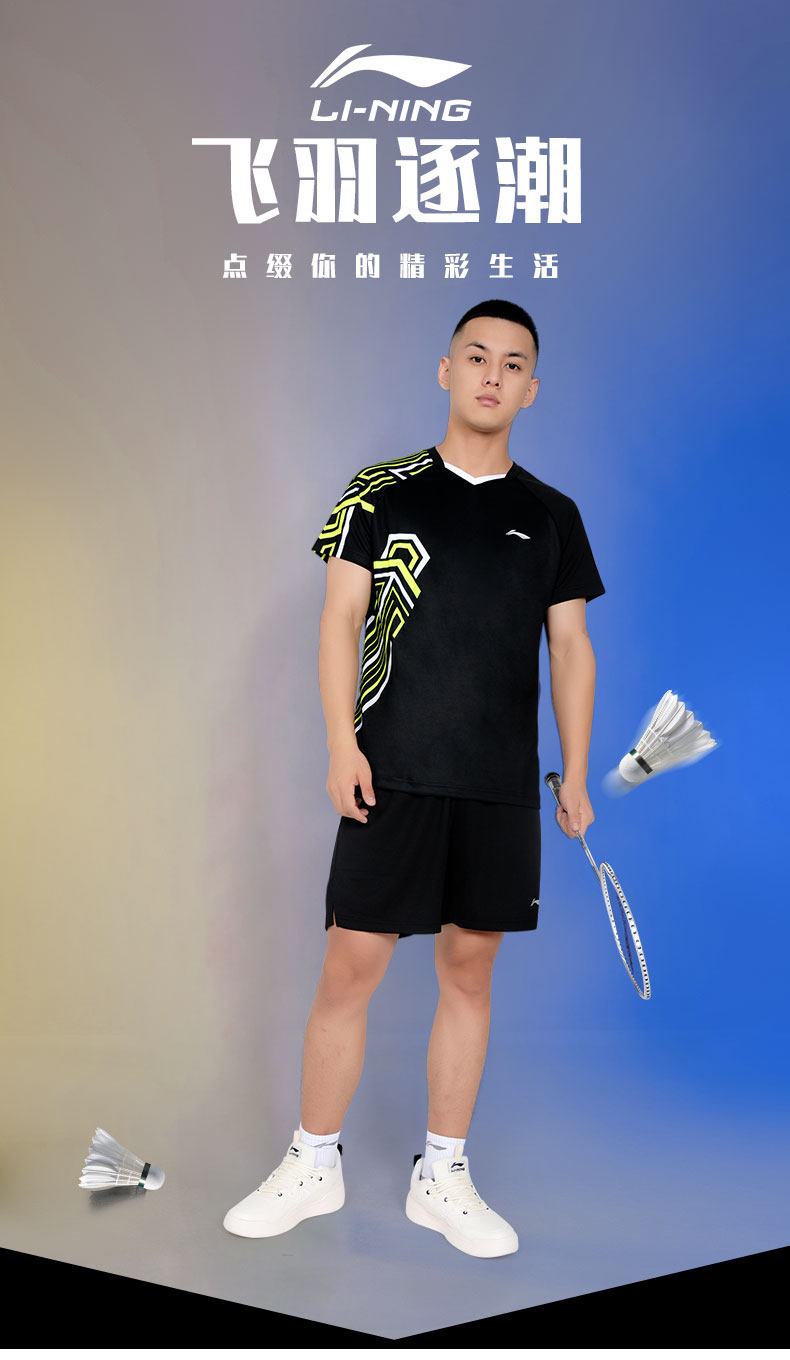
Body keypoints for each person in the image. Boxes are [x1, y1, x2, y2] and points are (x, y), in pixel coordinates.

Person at [223, 299, 605, 1258]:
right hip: (390, 773)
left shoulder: (552, 515)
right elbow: (339, 622)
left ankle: (442, 1176)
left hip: (498, 785)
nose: (492, 374)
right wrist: (341, 744)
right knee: (350, 965)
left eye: (512, 363)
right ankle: (313, 1163)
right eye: (476, 356)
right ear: (445, 370)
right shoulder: (379, 494)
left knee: (470, 971)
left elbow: (570, 649)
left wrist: (575, 774)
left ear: (532, 388)